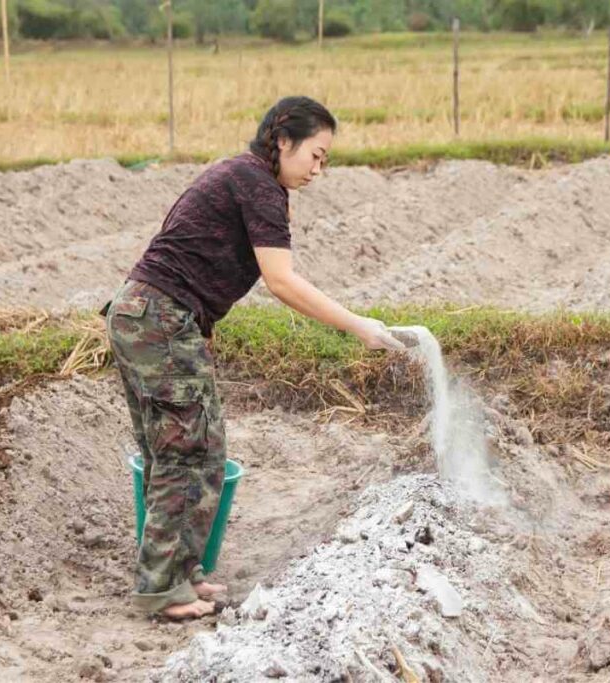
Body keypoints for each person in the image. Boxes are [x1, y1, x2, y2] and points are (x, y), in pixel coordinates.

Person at [102, 95, 404, 620]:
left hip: (150, 317)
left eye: (326, 160)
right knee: (186, 452)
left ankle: (181, 571)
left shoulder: (245, 176)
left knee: (191, 448)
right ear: (283, 139)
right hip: (159, 318)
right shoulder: (259, 186)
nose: (318, 168)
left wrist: (200, 330)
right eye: (316, 154)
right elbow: (282, 280)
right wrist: (359, 326)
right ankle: (161, 587)